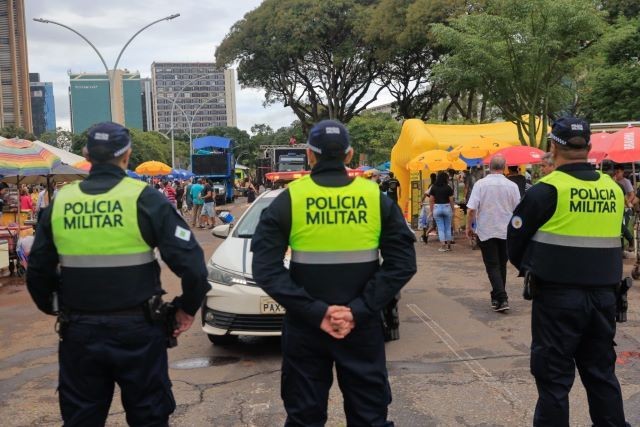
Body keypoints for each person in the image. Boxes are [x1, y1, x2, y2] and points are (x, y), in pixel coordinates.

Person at [25, 122, 209, 426]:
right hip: (139, 332)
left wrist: (57, 307)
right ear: (127, 155)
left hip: (79, 332)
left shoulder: (62, 202)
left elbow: (38, 271)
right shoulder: (145, 198)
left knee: (82, 418)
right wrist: (185, 310)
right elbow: (193, 268)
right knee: (149, 416)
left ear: (86, 154)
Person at [251, 119, 417, 426]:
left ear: (310, 156)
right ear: (349, 155)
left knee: (304, 418)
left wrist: (316, 312)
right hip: (362, 326)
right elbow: (403, 262)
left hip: (305, 328)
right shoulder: (374, 197)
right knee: (369, 417)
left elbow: (265, 268)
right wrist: (358, 310)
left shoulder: (290, 198)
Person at [507, 117, 631, 426]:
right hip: (605, 298)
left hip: (557, 300)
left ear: (553, 147)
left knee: (554, 380)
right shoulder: (612, 189)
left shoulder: (546, 191)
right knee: (601, 375)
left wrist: (532, 268)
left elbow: (514, 244)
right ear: (588, 147)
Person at [466, 155, 520, 312]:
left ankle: (501, 298)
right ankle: (497, 296)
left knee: (492, 265)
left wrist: (469, 227)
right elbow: (518, 210)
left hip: (486, 229)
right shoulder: (512, 186)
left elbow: (471, 210)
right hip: (506, 231)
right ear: (504, 167)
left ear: (489, 166)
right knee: (501, 264)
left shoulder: (481, 185)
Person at [430, 171, 454, 252]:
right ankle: (449, 246)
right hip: (447, 207)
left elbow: (431, 200)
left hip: (437, 207)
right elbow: (451, 200)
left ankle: (443, 245)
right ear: (445, 179)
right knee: (448, 227)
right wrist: (453, 209)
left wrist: (431, 210)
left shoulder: (433, 187)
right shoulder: (448, 187)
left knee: (440, 228)